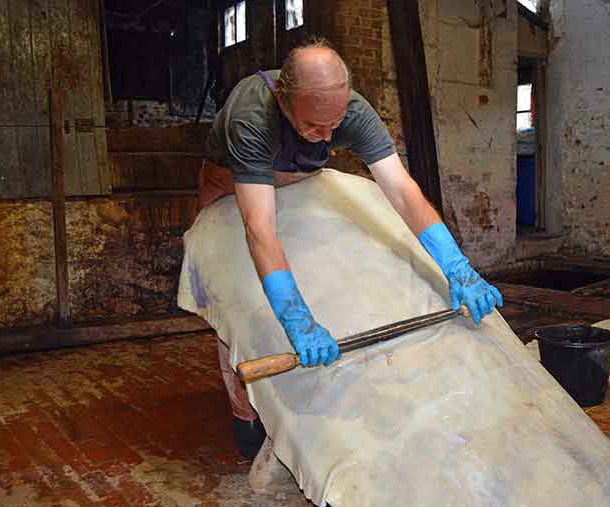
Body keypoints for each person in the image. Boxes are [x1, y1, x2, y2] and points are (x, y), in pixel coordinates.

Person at [199, 39, 503, 459]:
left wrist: (458, 265)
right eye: (313, 127)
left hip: (301, 181)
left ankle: (316, 402)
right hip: (233, 186)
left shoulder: (352, 112)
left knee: (324, 271)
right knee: (240, 295)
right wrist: (297, 319)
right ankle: (245, 412)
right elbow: (260, 230)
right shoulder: (252, 118)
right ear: (285, 103)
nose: (326, 137)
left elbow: (402, 190)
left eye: (333, 125)